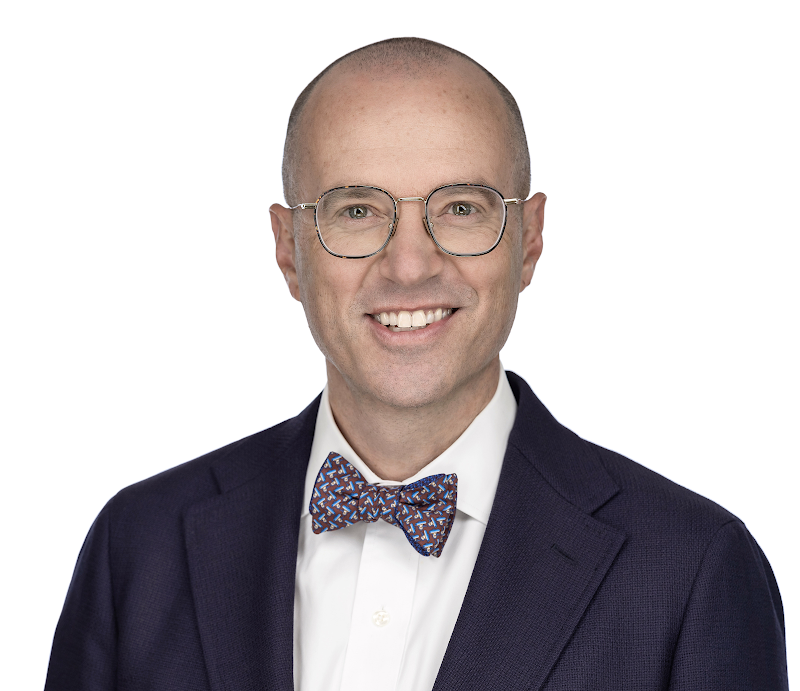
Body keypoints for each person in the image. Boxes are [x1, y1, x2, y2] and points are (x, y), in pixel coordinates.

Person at [45, 37, 788, 691]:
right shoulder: (137, 547)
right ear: (288, 250)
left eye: (461, 208)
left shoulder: (692, 570)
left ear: (528, 241)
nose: (409, 266)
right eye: (356, 211)